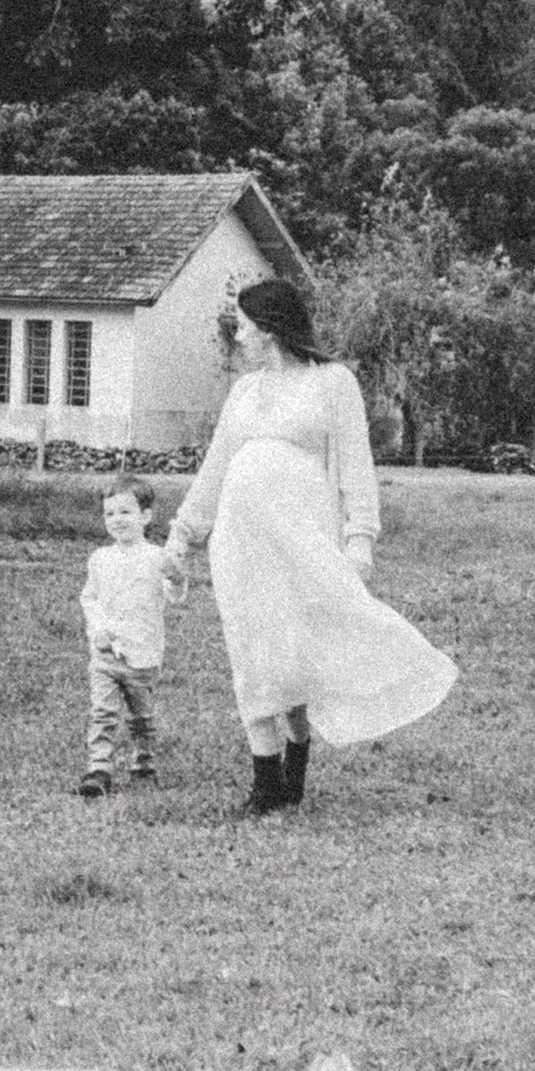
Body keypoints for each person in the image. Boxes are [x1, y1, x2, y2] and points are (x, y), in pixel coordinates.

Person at [164, 276, 456, 814]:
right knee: (250, 649)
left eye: (245, 324)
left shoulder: (332, 382)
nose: (239, 335)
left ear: (270, 328)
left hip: (303, 539)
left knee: (297, 650)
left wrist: (360, 539)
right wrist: (182, 535)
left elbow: (355, 467)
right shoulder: (244, 391)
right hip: (240, 541)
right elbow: (215, 468)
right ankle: (264, 782)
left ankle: (297, 757)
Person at [77, 477, 186, 797]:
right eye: (109, 514)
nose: (116, 520)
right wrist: (98, 631)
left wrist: (176, 576)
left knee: (142, 716)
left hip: (142, 653)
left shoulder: (156, 557)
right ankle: (98, 769)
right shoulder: (100, 558)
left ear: (146, 517)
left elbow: (174, 594)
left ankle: (144, 764)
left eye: (125, 512)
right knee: (103, 712)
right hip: (106, 653)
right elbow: (90, 599)